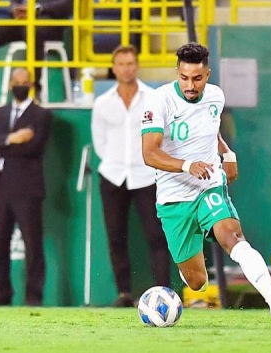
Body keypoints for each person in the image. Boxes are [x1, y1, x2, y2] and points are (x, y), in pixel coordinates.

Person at [141, 42, 271, 329]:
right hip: (174, 197)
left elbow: (211, 130)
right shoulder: (158, 101)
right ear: (177, 73)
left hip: (209, 185)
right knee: (197, 282)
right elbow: (149, 153)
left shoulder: (215, 96)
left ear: (208, 74)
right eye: (184, 78)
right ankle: (193, 256)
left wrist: (227, 153)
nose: (190, 85)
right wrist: (187, 165)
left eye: (197, 78)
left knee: (233, 238)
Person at [91, 45, 171, 307]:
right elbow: (99, 142)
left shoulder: (154, 98)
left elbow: (163, 136)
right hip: (113, 175)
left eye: (130, 63)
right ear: (114, 68)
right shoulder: (102, 103)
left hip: (147, 175)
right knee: (116, 237)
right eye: (121, 64)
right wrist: (115, 161)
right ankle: (124, 293)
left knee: (157, 235)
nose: (126, 68)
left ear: (137, 66)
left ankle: (164, 292)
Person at [0, 67, 53, 305]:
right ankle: (1, 293)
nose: (20, 84)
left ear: (31, 84)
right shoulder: (0, 113)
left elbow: (33, 148)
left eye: (24, 81)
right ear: (10, 84)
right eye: (16, 81)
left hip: (27, 188)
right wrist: (11, 139)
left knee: (33, 244)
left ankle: (33, 295)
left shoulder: (41, 115)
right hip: (0, 188)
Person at [0, 0, 73, 102]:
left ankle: (34, 90)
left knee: (33, 33)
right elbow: (14, 2)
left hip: (49, 20)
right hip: (21, 19)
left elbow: (67, 4)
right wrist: (15, 8)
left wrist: (36, 9)